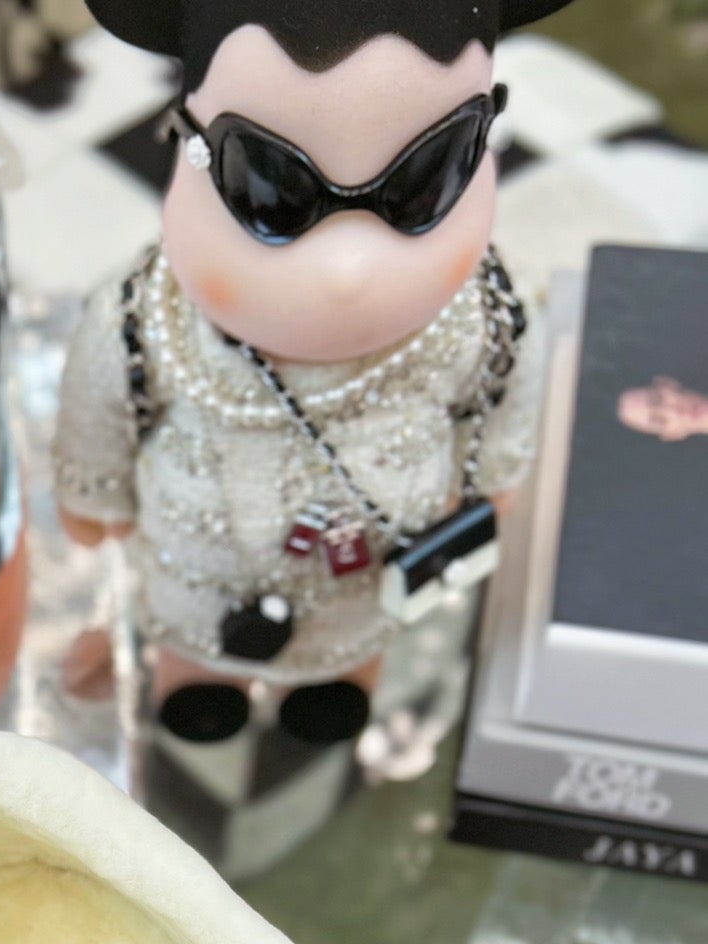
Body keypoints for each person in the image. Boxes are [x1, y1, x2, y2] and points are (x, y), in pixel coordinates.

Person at [55, 0, 569, 742]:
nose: (347, 269)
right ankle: (196, 677)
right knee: (193, 627)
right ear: (185, 141)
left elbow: (508, 385)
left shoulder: (483, 315)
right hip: (202, 567)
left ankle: (340, 680)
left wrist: (497, 474)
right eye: (271, 189)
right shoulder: (147, 317)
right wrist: (93, 488)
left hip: (365, 573)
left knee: (357, 625)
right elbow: (98, 400)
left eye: (426, 180)